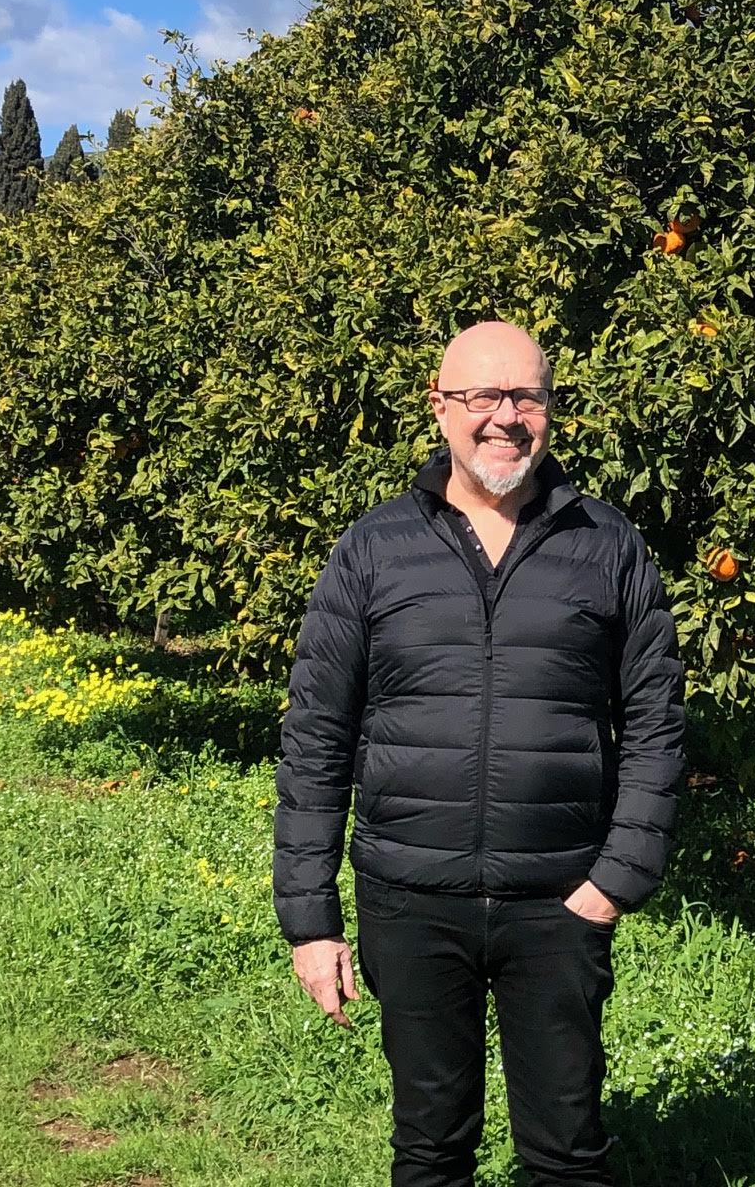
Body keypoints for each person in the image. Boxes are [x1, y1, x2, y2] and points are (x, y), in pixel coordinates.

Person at [274, 320, 687, 1187]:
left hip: (559, 903)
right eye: (483, 397)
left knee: (568, 1152)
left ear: (549, 409)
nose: (505, 417)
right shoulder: (372, 551)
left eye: (525, 396)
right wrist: (310, 921)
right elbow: (316, 739)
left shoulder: (606, 545)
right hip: (410, 901)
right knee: (430, 1149)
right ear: (441, 409)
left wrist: (617, 879)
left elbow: (655, 722)